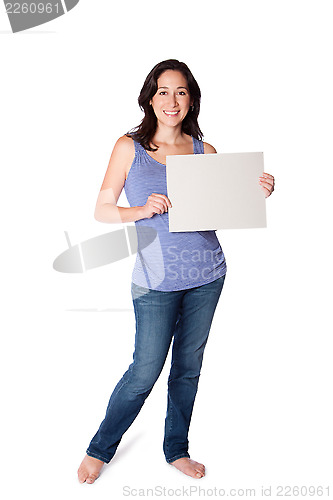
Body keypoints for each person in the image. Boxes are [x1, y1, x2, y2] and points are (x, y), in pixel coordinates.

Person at [77, 59, 275, 484]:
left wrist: (255, 194)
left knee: (187, 367)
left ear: (191, 100)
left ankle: (176, 449)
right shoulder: (128, 147)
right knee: (144, 370)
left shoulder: (205, 152)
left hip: (208, 274)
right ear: (151, 97)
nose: (172, 100)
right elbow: (101, 209)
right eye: (164, 91)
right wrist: (140, 209)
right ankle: (99, 449)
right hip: (156, 282)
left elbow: (217, 215)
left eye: (181, 91)